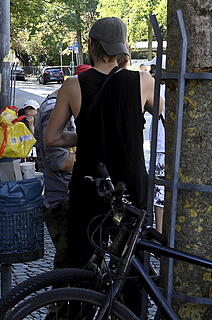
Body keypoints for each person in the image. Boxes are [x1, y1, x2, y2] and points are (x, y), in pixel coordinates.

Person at [45, 17, 159, 314]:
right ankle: (131, 313)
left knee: (82, 262)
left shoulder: (73, 85)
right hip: (131, 184)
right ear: (121, 48)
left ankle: (81, 312)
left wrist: (83, 135)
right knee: (132, 264)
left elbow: (52, 138)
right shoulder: (143, 81)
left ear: (91, 46)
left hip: (89, 184)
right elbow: (170, 119)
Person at [34, 92, 76, 269]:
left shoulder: (60, 105)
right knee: (69, 262)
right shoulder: (55, 109)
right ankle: (61, 297)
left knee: (70, 262)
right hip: (62, 198)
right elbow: (58, 161)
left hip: (63, 195)